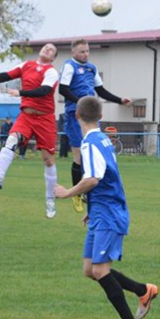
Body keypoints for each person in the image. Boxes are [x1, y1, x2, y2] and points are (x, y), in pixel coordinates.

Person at [54, 97, 158, 319]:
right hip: (102, 211)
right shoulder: (102, 139)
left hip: (109, 213)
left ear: (77, 115)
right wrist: (92, 209)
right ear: (100, 116)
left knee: (101, 270)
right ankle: (144, 290)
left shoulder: (90, 143)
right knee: (90, 269)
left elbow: (93, 179)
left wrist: (67, 193)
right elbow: (108, 177)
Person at [0, 43, 60, 219]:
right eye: (46, 46)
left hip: (45, 119)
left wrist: (20, 92)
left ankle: (50, 199)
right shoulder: (26, 65)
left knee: (48, 160)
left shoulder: (52, 71)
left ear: (53, 57)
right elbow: (4, 75)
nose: (47, 49)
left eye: (51, 50)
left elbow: (44, 91)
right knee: (11, 140)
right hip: (26, 116)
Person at [58, 39, 132, 214]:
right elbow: (63, 89)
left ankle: (89, 189)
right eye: (82, 51)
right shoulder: (69, 66)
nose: (86, 54)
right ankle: (77, 192)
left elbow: (101, 91)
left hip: (90, 113)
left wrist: (119, 100)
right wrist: (81, 102)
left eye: (87, 51)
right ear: (74, 53)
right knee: (80, 155)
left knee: (92, 152)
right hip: (75, 114)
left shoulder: (92, 68)